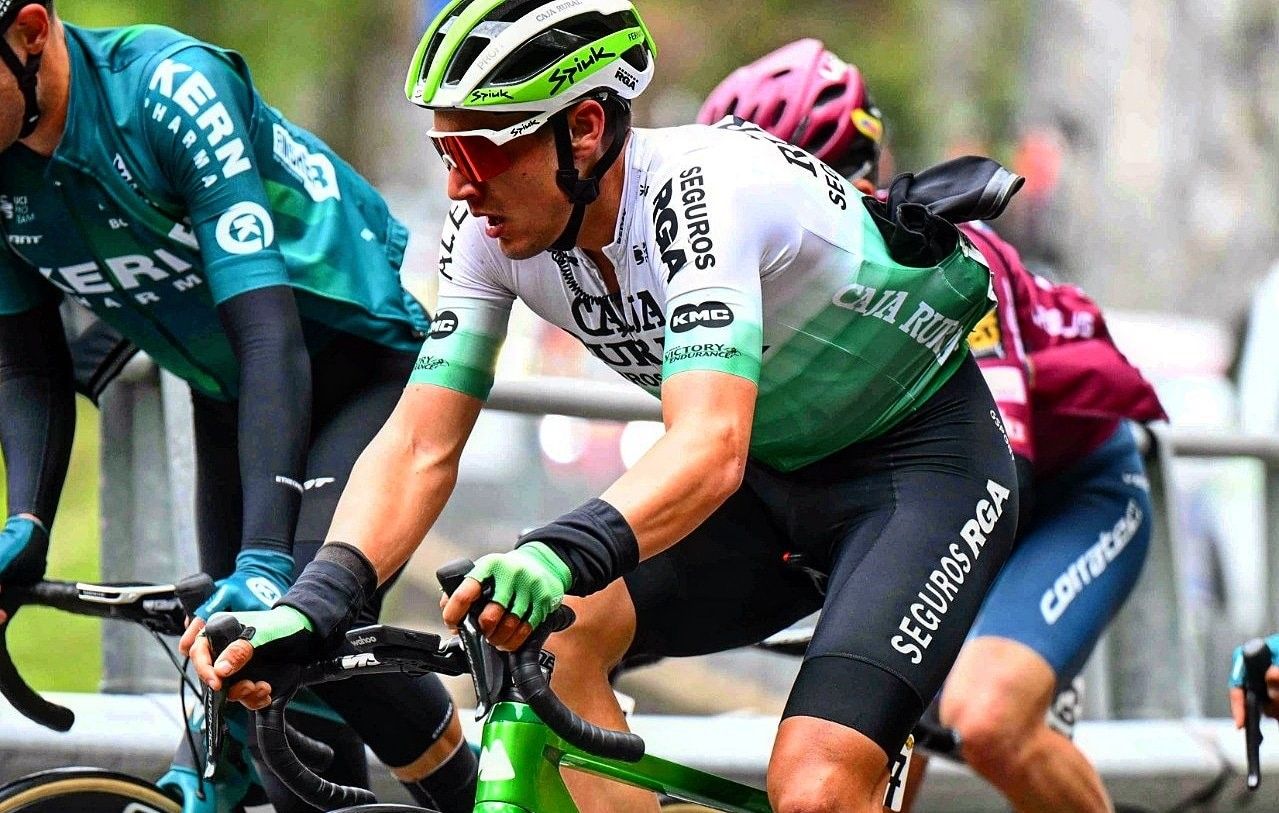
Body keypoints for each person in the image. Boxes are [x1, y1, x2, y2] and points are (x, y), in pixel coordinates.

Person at [192, 2, 1026, 811]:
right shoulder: (486, 232)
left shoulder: (707, 193)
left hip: (916, 471)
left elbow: (710, 444)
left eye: (478, 149)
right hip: (763, 482)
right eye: (445, 148)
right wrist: (316, 599)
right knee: (552, 636)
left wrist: (556, 551)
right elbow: (419, 443)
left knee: (816, 788)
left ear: (584, 128)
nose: (458, 184)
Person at [0, 3, 476, 811]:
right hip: (234, 397)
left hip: (354, 366)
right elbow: (26, 364)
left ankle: (475, 794)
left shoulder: (169, 90)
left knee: (297, 630)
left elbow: (267, 335)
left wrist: (263, 565)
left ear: (32, 34)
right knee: (257, 706)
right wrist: (27, 524)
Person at [698, 38, 1168, 813]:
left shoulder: (944, 257)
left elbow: (1004, 464)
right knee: (862, 749)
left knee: (985, 718)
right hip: (949, 495)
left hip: (1067, 492)